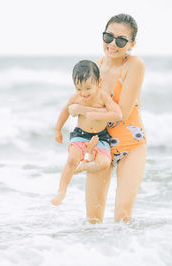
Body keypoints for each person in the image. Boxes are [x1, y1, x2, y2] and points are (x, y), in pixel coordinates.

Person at [68, 14, 146, 223]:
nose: (113, 44)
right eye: (108, 37)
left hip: (131, 145)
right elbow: (79, 103)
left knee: (123, 216)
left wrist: (85, 112)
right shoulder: (93, 67)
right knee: (92, 220)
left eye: (121, 40)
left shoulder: (134, 65)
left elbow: (121, 112)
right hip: (100, 144)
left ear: (131, 44)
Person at [51, 60, 122, 206]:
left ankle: (85, 164)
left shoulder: (102, 97)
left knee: (104, 163)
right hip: (80, 135)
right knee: (71, 160)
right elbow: (65, 111)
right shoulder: (75, 98)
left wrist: (92, 113)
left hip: (100, 136)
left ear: (99, 82)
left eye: (88, 88)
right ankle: (61, 191)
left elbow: (117, 114)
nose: (83, 93)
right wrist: (58, 129)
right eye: (79, 89)